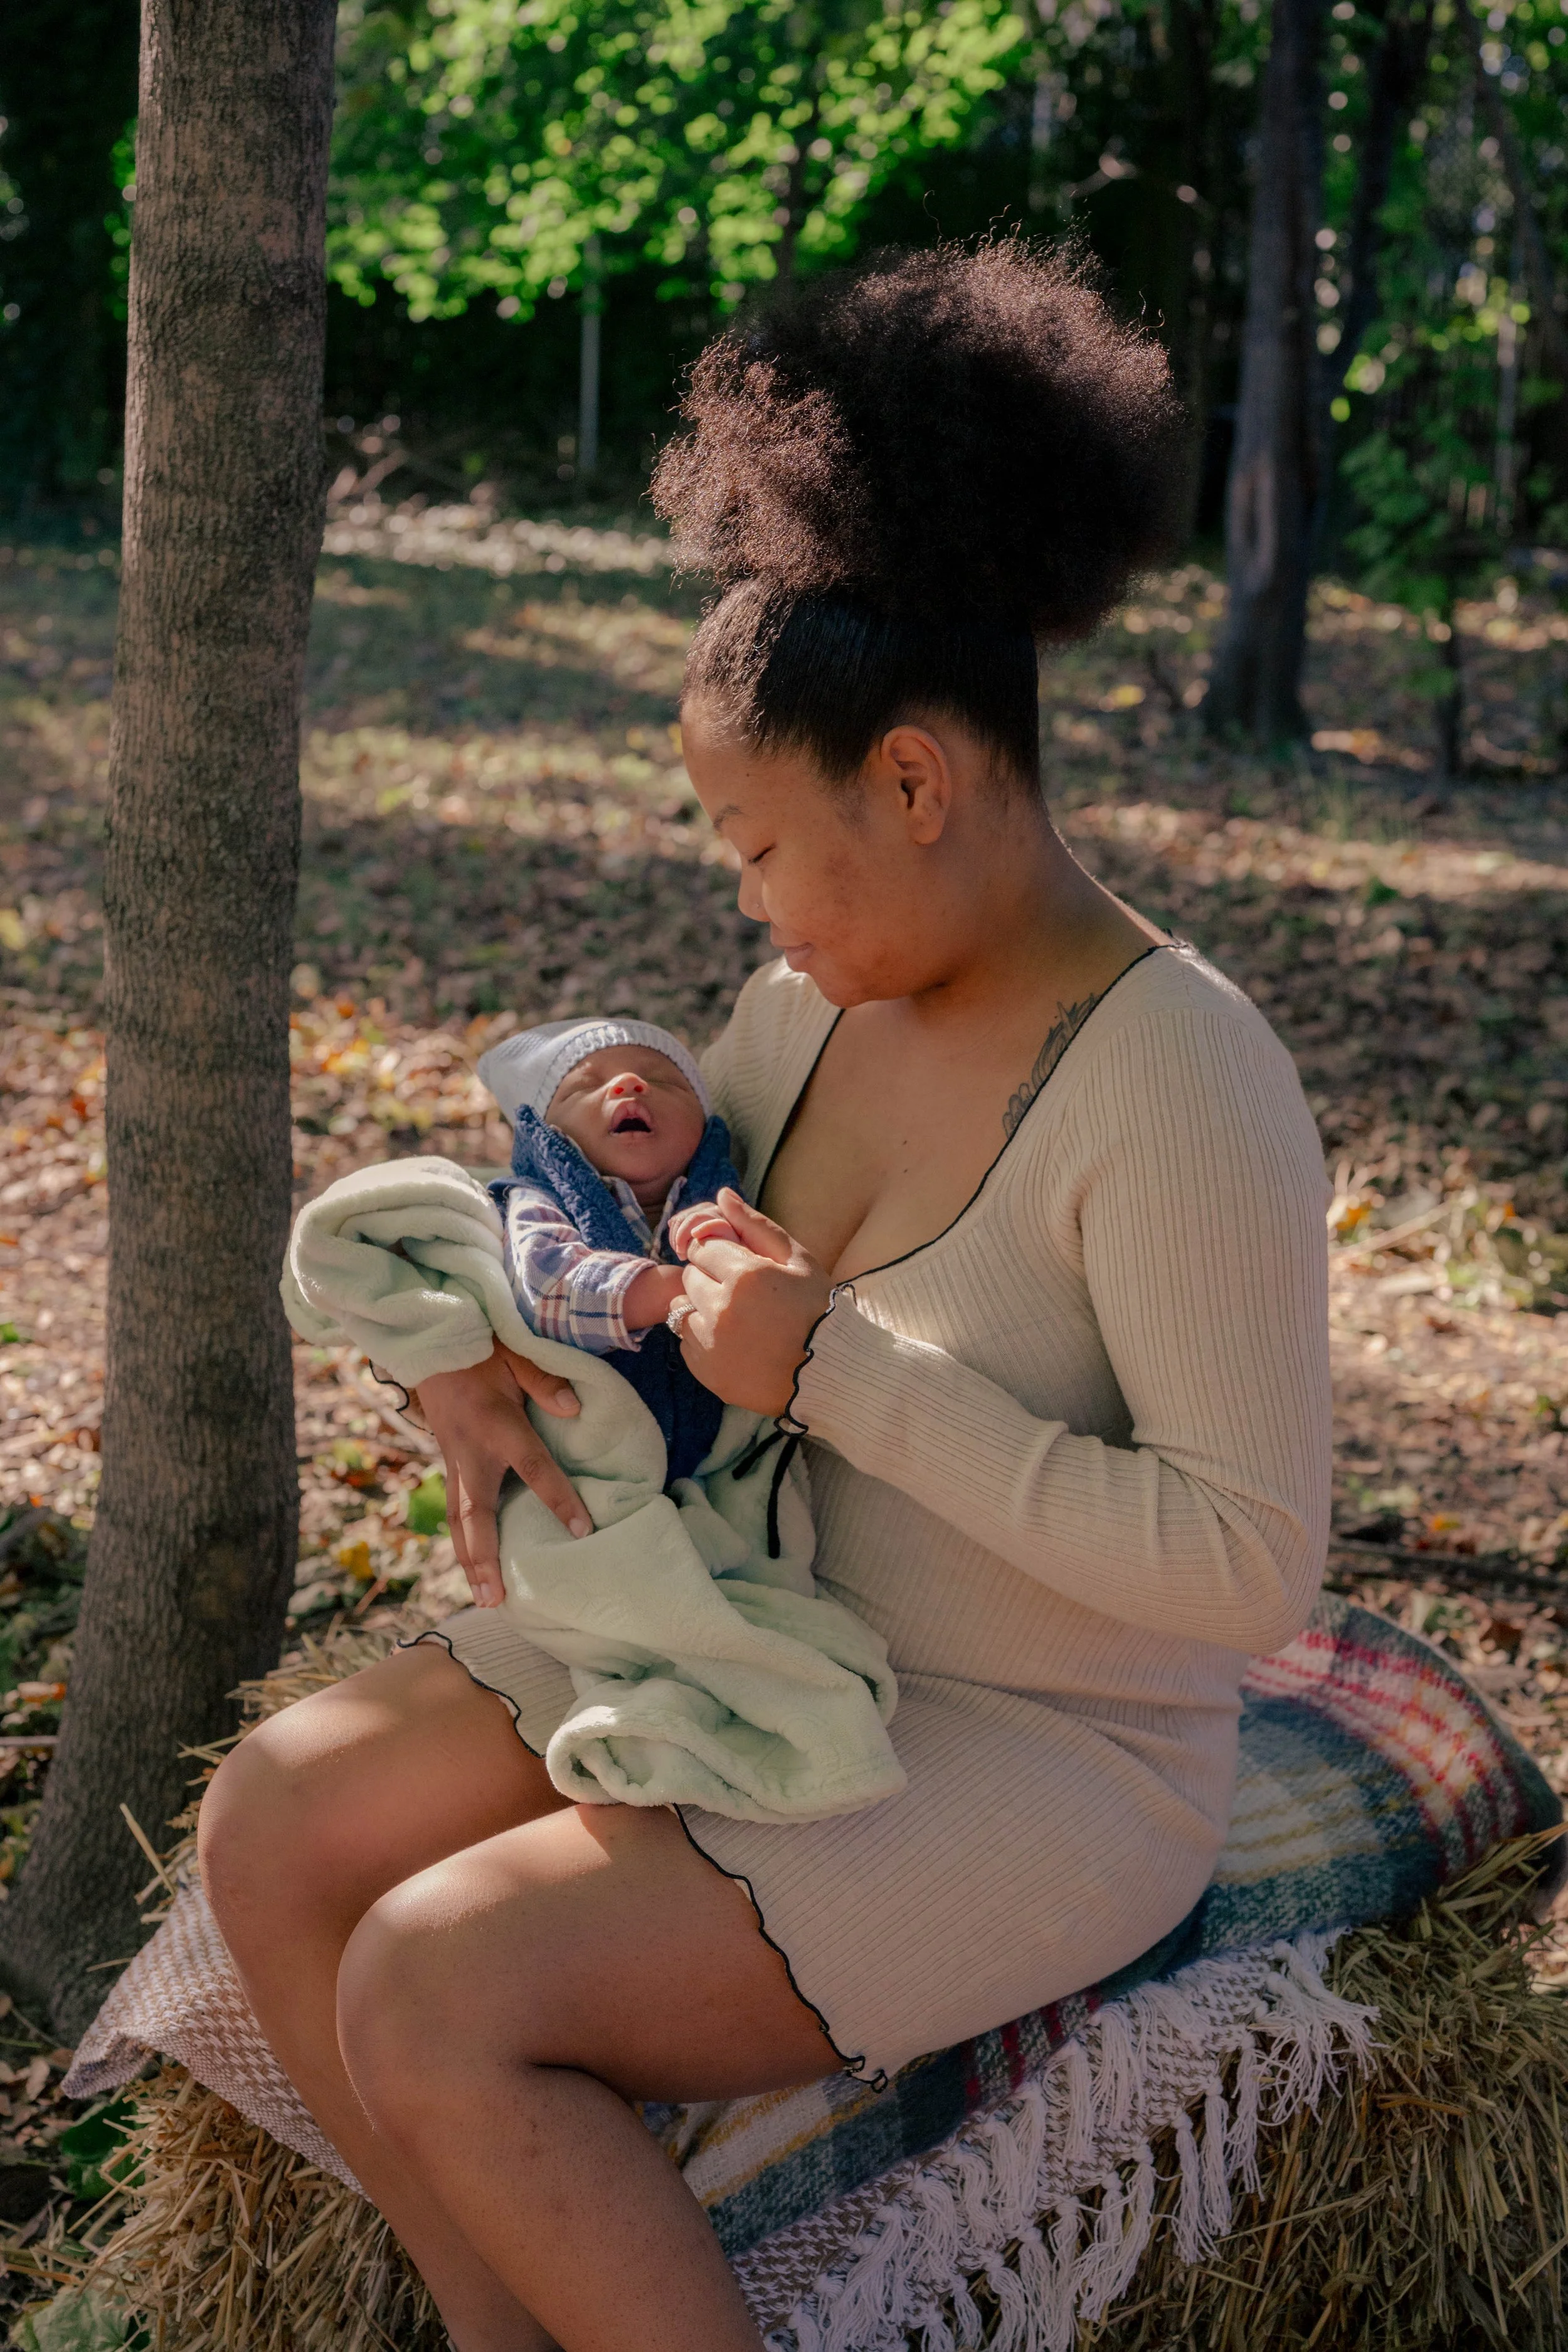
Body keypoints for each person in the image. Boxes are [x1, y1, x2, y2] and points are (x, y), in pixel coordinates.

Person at [200, 239, 1332, 2352]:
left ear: (912, 781)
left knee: (440, 1981)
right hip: (762, 1633)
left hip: (1039, 1748)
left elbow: (1254, 1570)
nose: (742, 902)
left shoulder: (1184, 1076)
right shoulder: (808, 1011)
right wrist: (457, 1354)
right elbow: (587, 1213)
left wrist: (844, 1369)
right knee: (279, 1823)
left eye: (756, 846)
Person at [463, 1015, 754, 1603]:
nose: (629, 1085)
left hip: (702, 1478)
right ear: (548, 1134)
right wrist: (673, 1288)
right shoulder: (538, 1202)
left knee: (723, 1572)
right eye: (582, 1087)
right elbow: (548, 1290)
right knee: (591, 1592)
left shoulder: (723, 1200)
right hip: (583, 1466)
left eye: (664, 1081)